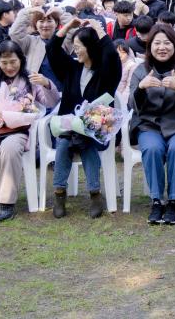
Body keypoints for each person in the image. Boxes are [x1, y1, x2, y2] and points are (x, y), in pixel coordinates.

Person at [0, 41, 59, 222]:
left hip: (18, 131)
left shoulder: (30, 79)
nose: (9, 67)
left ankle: (6, 202)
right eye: (4, 62)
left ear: (21, 60)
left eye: (13, 62)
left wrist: (47, 84)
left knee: (9, 149)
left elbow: (51, 102)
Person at [47, 19, 121, 219]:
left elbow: (112, 54)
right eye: (74, 46)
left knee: (85, 141)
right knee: (65, 143)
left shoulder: (106, 72)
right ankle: (59, 194)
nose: (75, 50)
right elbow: (52, 49)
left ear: (91, 47)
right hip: (69, 127)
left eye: (79, 46)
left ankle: (95, 194)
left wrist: (98, 28)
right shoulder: (71, 68)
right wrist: (68, 26)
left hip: (97, 129)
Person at [127, 24, 175, 225]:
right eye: (157, 43)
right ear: (149, 46)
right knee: (152, 148)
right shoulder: (140, 70)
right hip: (149, 125)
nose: (162, 47)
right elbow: (131, 105)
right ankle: (157, 201)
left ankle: (174, 201)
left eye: (167, 43)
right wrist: (141, 88)